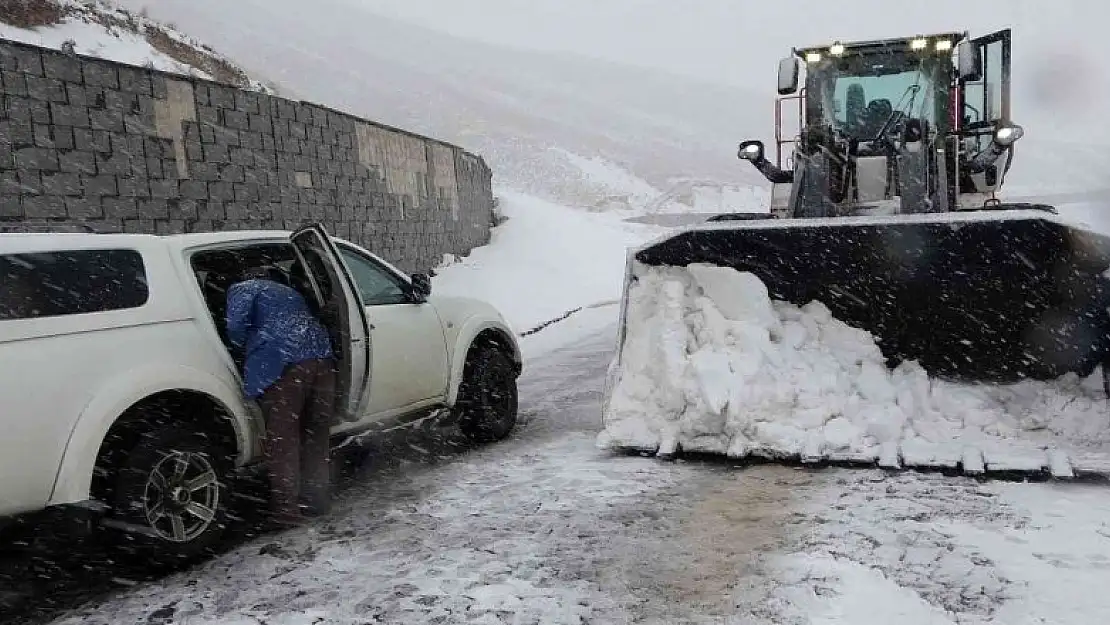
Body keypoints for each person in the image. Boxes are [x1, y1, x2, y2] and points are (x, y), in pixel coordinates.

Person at [225, 265, 337, 527]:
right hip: (321, 355)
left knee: (283, 436)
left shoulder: (244, 288)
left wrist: (240, 347)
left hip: (283, 358)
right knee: (316, 432)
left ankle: (286, 511)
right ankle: (316, 500)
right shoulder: (290, 292)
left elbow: (234, 327)